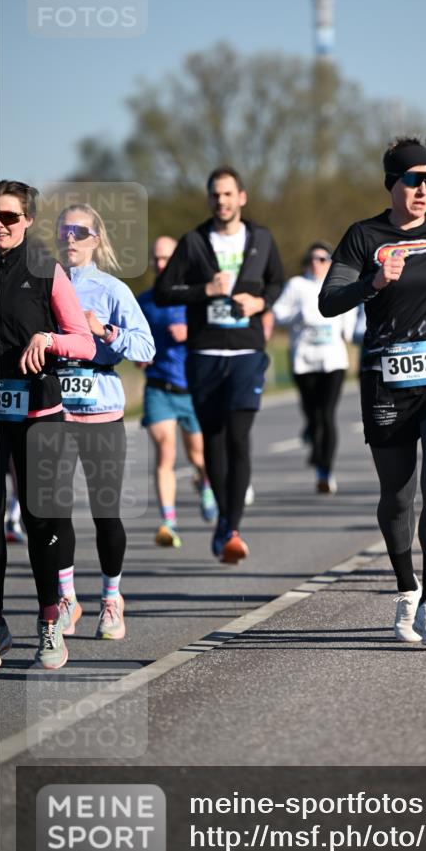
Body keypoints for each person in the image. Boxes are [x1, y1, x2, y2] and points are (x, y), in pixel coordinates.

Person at [319, 138, 426, 647]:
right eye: (414, 180)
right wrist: (371, 283)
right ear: (392, 183)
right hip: (386, 380)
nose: (424, 189)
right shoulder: (364, 236)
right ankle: (406, 589)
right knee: (397, 495)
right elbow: (328, 301)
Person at [154, 166, 283, 563]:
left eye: (228, 194)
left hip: (246, 353)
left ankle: (232, 527)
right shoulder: (194, 241)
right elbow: (163, 292)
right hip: (205, 354)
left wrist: (260, 303)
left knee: (239, 438)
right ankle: (225, 518)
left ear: (241, 197)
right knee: (213, 440)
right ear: (209, 198)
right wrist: (205, 290)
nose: (221, 201)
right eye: (215, 194)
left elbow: (277, 283)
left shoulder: (262, 239)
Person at [0, 180, 95, 669]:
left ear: (28, 221)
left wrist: (48, 340)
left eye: (9, 217)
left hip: (37, 412)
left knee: (40, 521)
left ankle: (50, 619)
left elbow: (85, 343)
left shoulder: (44, 269)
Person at [54, 203, 155, 642]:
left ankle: (111, 598)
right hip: (55, 413)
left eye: (79, 231)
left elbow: (146, 348)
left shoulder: (113, 289)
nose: (70, 238)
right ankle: (66, 597)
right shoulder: (44, 286)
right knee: (52, 510)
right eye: (64, 231)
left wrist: (105, 330)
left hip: (102, 412)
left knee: (105, 512)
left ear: (96, 239)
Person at [138, 236, 216, 549]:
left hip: (193, 389)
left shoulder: (195, 298)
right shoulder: (145, 301)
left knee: (198, 454)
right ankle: (168, 522)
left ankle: (206, 482)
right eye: (156, 258)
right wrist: (138, 355)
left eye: (166, 258)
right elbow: (133, 337)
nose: (160, 264)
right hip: (158, 388)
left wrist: (191, 333)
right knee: (166, 452)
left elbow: (218, 334)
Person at [273, 241, 357, 494]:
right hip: (304, 360)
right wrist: (297, 315)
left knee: (326, 414)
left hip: (332, 360)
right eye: (311, 259)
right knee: (312, 414)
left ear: (330, 262)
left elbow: (349, 313)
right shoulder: (296, 286)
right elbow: (277, 314)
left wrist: (348, 332)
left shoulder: (339, 284)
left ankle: (325, 470)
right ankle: (312, 434)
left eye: (322, 259)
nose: (316, 263)